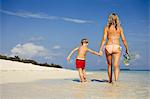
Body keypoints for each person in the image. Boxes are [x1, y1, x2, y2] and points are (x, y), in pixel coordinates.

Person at [99, 13, 129, 83]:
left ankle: (110, 81)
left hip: (108, 46)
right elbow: (123, 39)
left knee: (109, 65)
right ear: (117, 19)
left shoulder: (106, 28)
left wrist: (100, 49)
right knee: (116, 66)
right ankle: (115, 81)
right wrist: (127, 48)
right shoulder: (120, 28)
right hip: (116, 46)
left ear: (109, 19)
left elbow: (104, 39)